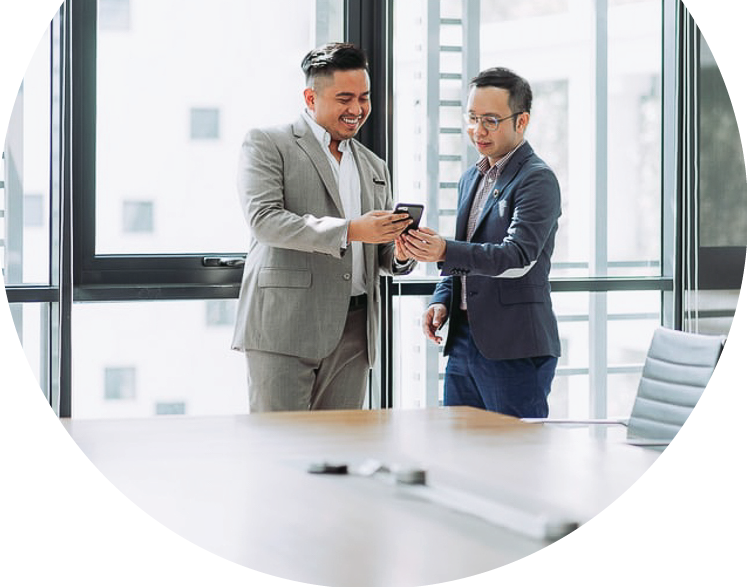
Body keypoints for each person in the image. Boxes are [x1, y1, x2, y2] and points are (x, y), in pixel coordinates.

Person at [231, 42, 414, 412]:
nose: (357, 109)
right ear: (310, 97)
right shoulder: (268, 144)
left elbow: (376, 252)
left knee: (340, 453)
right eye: (344, 98)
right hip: (285, 325)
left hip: (356, 330)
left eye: (364, 97)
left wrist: (400, 253)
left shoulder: (375, 166)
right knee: (280, 449)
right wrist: (350, 230)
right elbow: (265, 221)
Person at [399, 67, 561, 418]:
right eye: (472, 118)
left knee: (515, 461)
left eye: (490, 120)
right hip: (462, 342)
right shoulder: (471, 177)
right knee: (461, 454)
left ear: (522, 122)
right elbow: (466, 253)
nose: (478, 130)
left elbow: (517, 256)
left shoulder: (537, 179)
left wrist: (443, 250)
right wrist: (442, 299)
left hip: (513, 347)